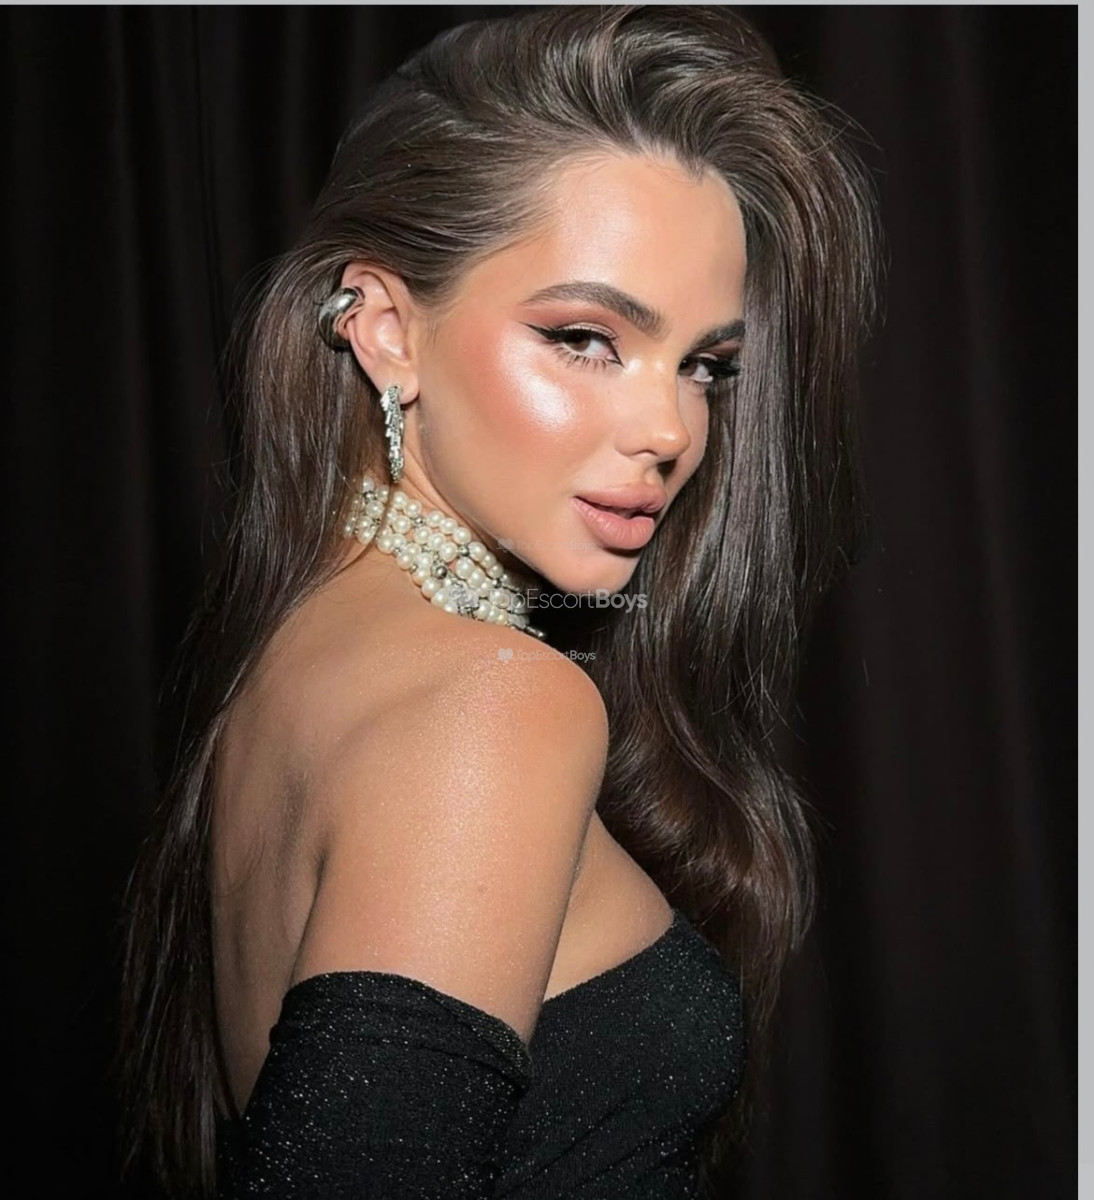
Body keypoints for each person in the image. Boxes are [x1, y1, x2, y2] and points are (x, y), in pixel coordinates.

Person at [119, 6, 881, 1197]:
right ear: (384, 329)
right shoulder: (496, 700)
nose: (670, 429)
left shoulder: (294, 656)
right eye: (583, 338)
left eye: (703, 365)